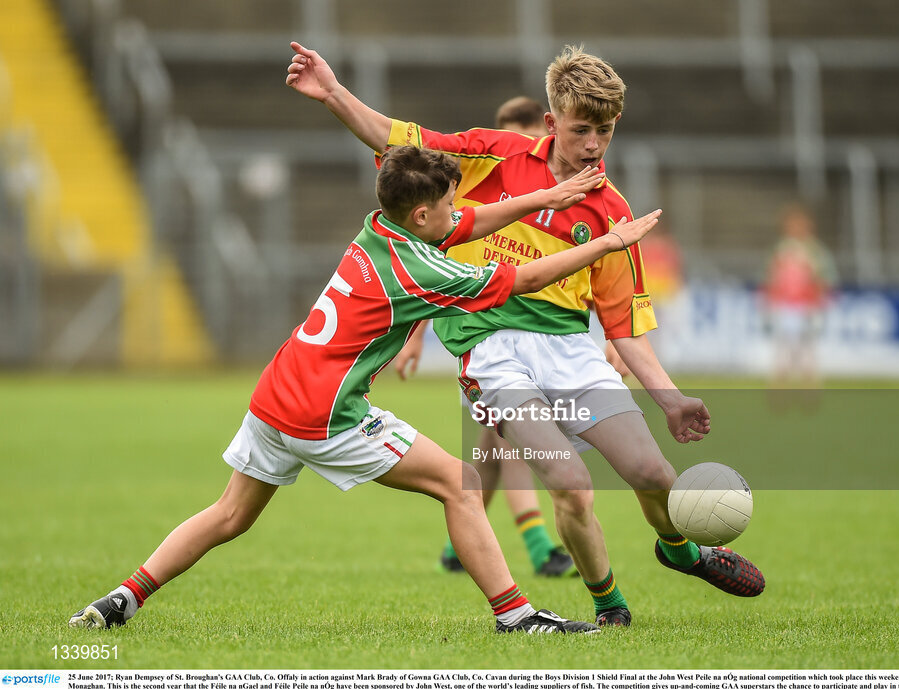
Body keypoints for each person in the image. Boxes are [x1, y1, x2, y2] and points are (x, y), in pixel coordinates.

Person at [69, 145, 664, 635]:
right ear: (423, 216)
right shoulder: (421, 272)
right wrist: (608, 243)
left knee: (229, 514)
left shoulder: (380, 226)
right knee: (458, 487)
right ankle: (517, 616)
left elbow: (466, 223)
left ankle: (122, 599)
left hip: (276, 393)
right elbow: (525, 277)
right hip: (327, 415)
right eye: (449, 203)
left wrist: (547, 197)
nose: (459, 211)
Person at [286, 41, 765, 628]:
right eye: (582, 129)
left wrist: (671, 399)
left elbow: (624, 327)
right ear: (551, 123)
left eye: (606, 131)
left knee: (654, 476)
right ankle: (611, 608)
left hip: (570, 350)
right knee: (570, 482)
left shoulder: (612, 211)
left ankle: (679, 549)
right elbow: (396, 140)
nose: (594, 145)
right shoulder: (495, 155)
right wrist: (332, 92)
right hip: (491, 353)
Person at [394, 96, 577, 578]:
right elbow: (435, 273)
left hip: (538, 344)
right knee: (509, 446)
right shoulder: (471, 201)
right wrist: (414, 337)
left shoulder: (564, 198)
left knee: (491, 451)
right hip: (484, 346)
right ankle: (540, 548)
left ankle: (459, 547)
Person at [761, 203, 837, 389]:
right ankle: (780, 390)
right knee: (782, 351)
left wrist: (819, 304)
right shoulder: (780, 250)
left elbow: (825, 279)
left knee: (807, 351)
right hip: (785, 307)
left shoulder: (816, 251)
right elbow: (771, 278)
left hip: (807, 307)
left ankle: (809, 390)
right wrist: (769, 304)